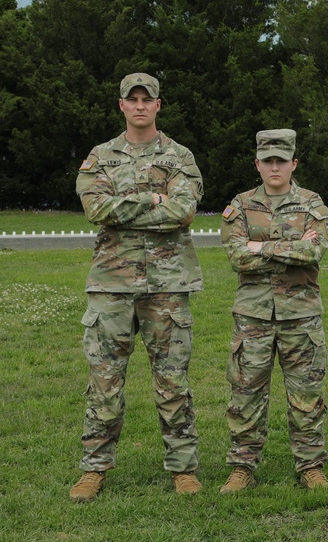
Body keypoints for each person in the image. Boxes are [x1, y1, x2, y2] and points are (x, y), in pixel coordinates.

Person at [71, 72, 203, 502]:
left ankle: (184, 468)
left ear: (159, 106)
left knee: (172, 380)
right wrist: (154, 200)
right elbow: (95, 208)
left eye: (149, 99)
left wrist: (126, 207)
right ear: (122, 105)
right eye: (134, 99)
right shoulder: (100, 156)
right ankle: (94, 469)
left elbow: (183, 211)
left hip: (167, 285)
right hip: (111, 285)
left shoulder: (179, 156)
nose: (141, 105)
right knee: (105, 381)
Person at [219, 129, 328, 493]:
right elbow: (236, 256)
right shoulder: (239, 206)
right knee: (246, 393)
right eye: (267, 161)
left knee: (306, 394)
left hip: (300, 316)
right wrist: (289, 247)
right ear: (257, 164)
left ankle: (310, 466)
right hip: (253, 316)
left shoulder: (313, 204)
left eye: (281, 161)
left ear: (293, 164)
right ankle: (242, 466)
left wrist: (260, 246)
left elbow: (314, 252)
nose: (274, 167)